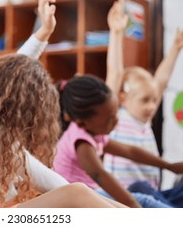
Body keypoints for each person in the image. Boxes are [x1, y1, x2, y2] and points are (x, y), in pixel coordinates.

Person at [0, 0, 126, 208]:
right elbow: (64, 188)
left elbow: (9, 75)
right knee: (77, 193)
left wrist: (44, 32)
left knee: (78, 194)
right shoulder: (4, 145)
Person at [53, 74, 183, 208]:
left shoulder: (92, 132)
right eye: (109, 119)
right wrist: (133, 205)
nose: (116, 121)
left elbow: (130, 152)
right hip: (79, 202)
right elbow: (100, 175)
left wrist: (169, 166)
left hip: (91, 194)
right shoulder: (81, 142)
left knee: (140, 187)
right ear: (82, 123)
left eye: (116, 114)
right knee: (142, 200)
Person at [102, 0, 183, 207]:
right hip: (127, 197)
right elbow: (114, 73)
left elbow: (161, 81)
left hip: (155, 195)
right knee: (141, 188)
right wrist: (117, 33)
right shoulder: (115, 118)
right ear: (122, 99)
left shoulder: (144, 119)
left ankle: (169, 208)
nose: (151, 106)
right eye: (145, 100)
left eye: (154, 100)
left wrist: (175, 47)